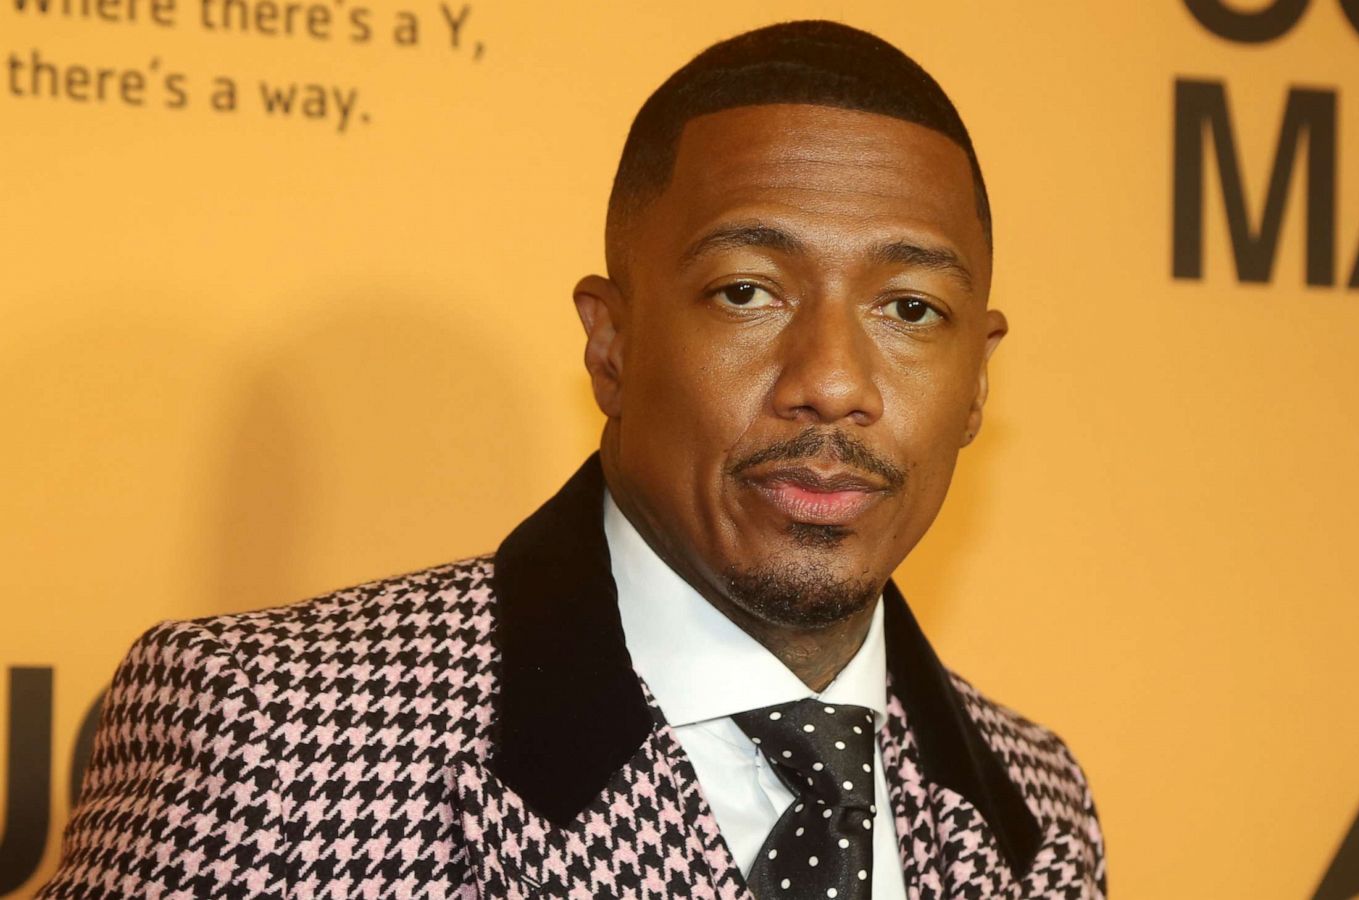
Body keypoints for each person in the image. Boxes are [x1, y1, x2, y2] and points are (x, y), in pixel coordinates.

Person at [42, 19, 1106, 899]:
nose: (831, 380)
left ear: (977, 380)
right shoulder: (275, 739)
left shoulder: (1039, 803)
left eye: (911, 308)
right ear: (612, 343)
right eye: (747, 291)